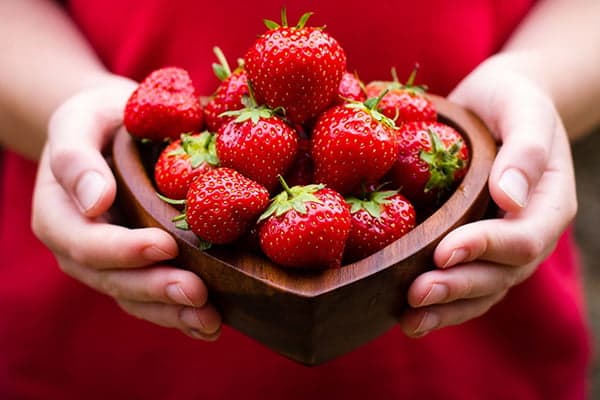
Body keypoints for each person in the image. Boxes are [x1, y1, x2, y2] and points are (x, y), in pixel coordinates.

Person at [1, 0, 599, 398]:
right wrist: (68, 100)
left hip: (473, 323)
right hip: (111, 303)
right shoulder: (225, 161)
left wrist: (538, 81)